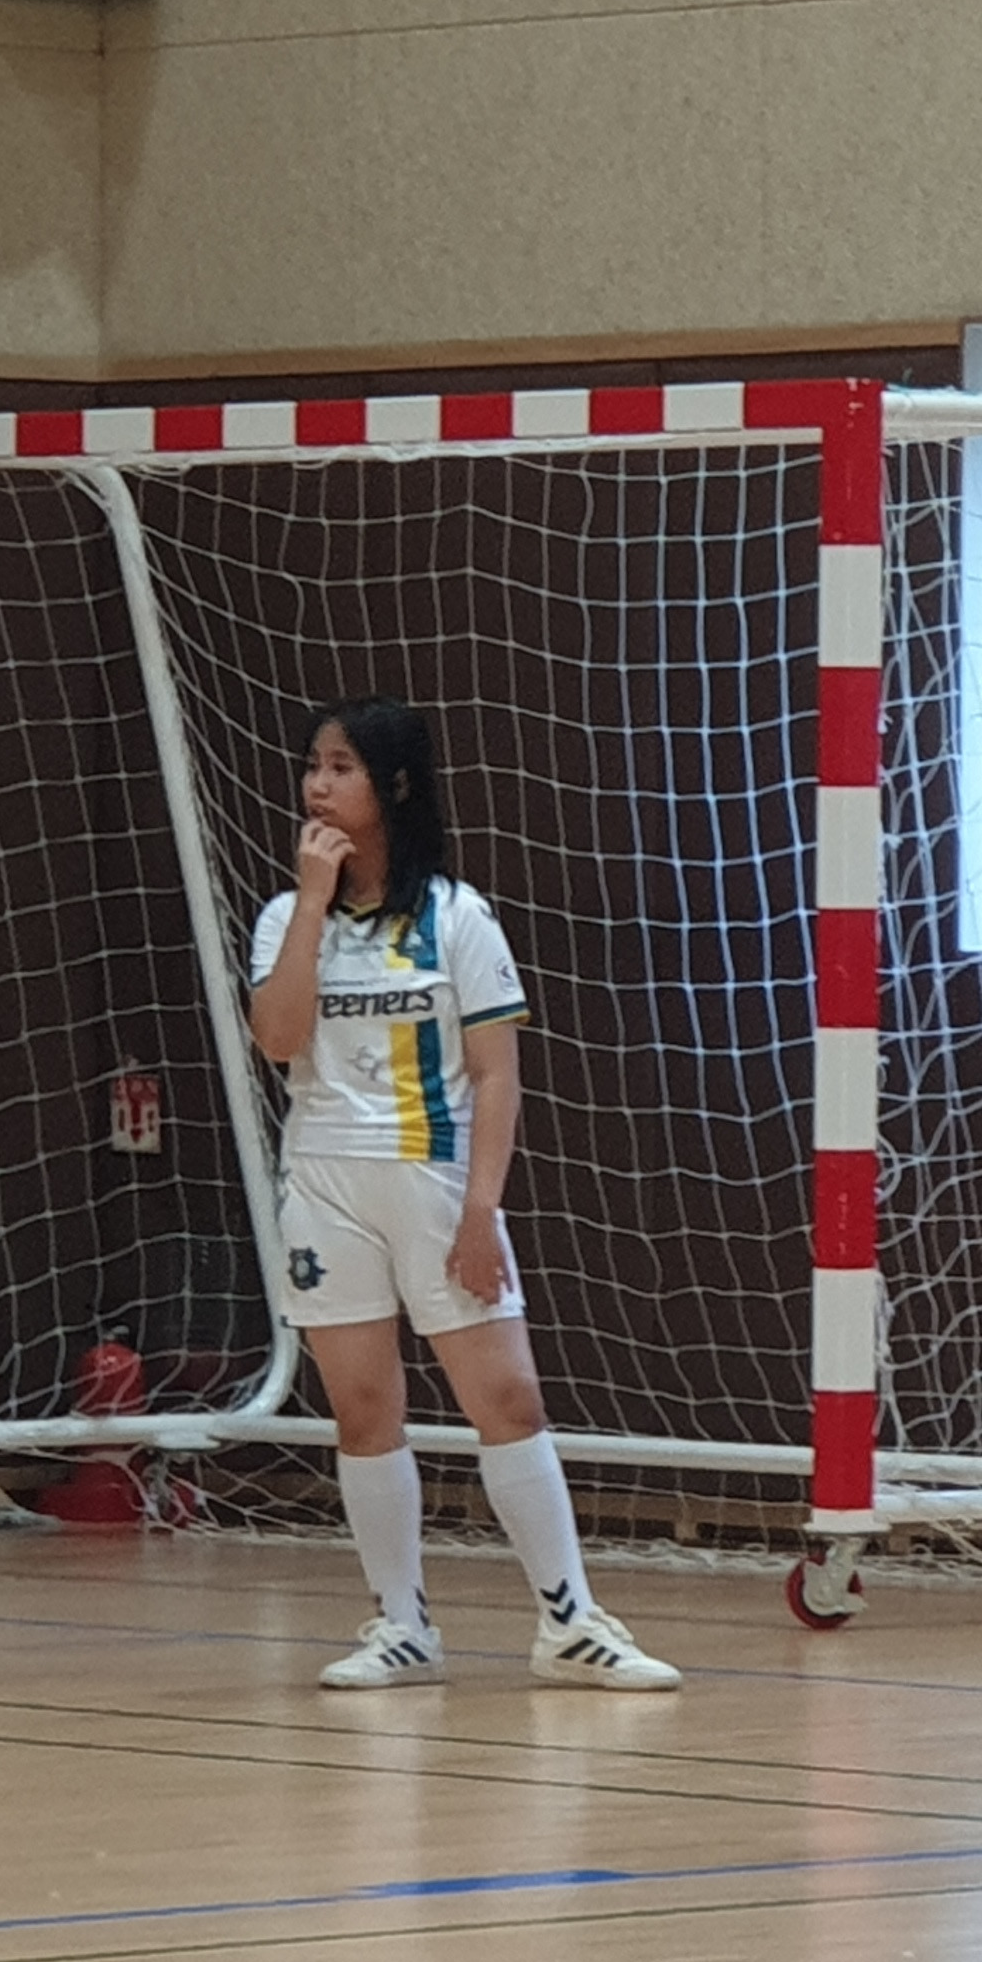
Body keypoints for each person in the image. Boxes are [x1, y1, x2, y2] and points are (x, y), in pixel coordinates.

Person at [246, 696, 677, 1693]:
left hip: (436, 1183)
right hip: (324, 1185)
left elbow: (496, 1075)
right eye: (313, 765)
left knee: (508, 1399)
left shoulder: (458, 915)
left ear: (393, 785)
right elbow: (278, 1038)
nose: (318, 786)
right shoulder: (284, 918)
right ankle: (401, 1626)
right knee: (364, 1411)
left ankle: (569, 1621)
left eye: (342, 767)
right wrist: (311, 903)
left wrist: (482, 1213)